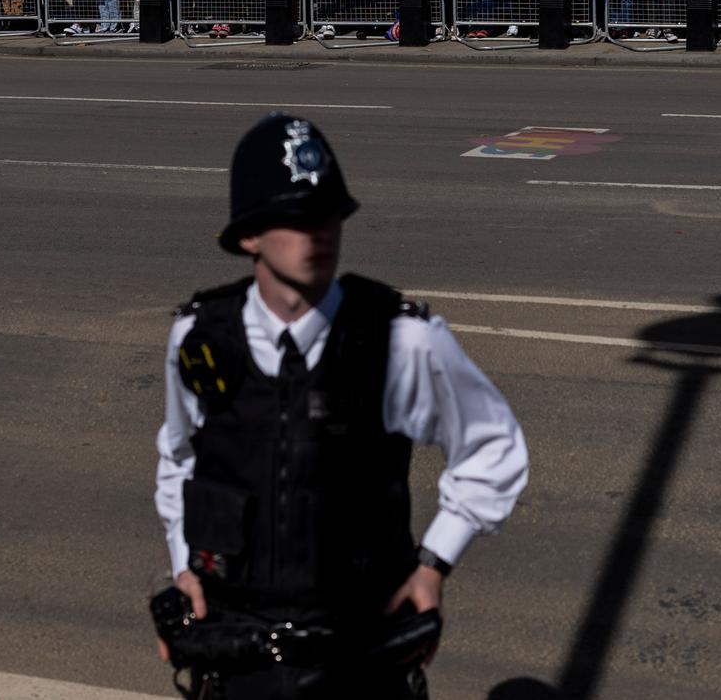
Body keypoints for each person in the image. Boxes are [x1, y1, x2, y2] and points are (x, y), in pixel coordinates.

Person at [153, 114, 527, 700]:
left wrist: (434, 563)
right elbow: (179, 460)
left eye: (328, 214)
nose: (319, 232)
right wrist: (185, 565)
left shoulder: (398, 339)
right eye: (297, 218)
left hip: (359, 658)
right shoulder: (201, 339)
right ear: (249, 235)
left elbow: (493, 444)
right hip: (238, 660)